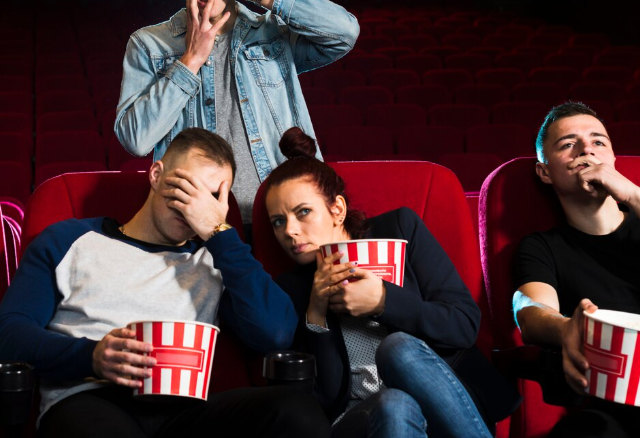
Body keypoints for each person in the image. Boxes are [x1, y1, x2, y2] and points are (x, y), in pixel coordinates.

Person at [0, 127, 330, 437]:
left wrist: (219, 232)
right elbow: (5, 336)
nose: (190, 208)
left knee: (298, 414)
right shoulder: (69, 240)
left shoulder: (217, 259)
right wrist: (91, 356)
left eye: (208, 198)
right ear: (155, 174)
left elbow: (275, 333)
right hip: (90, 400)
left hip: (184, 412)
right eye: (183, 189)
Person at [264, 127, 519, 438]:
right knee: (394, 403)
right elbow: (325, 400)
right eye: (278, 221)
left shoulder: (400, 228)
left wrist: (384, 302)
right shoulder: (291, 288)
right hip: (360, 418)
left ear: (337, 210)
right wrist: (316, 315)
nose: (289, 230)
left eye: (303, 212)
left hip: (444, 407)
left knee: (397, 348)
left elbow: (464, 326)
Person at [115, 0, 360, 226]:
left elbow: (344, 32)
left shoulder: (272, 33)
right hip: (196, 222)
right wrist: (190, 60)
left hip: (284, 219)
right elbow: (135, 139)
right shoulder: (149, 44)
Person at [513, 102, 640, 438]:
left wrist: (630, 193)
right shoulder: (542, 247)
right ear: (544, 172)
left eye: (599, 142)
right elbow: (530, 310)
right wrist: (567, 329)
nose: (587, 150)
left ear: (613, 160)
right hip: (616, 407)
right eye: (568, 144)